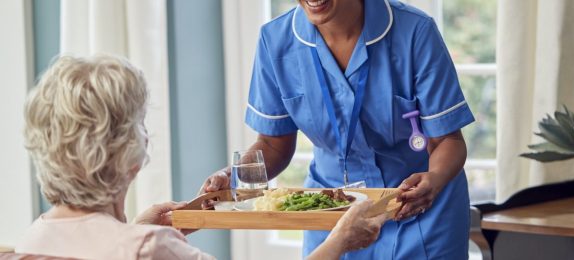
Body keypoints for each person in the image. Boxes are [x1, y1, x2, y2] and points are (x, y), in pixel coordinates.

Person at [16, 55, 387, 259]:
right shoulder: (151, 250)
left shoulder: (32, 239)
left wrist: (136, 229)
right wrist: (339, 241)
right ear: (127, 153)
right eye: (139, 123)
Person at [201, 0, 475, 258]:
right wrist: (232, 177)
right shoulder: (275, 41)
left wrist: (435, 178)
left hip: (417, 210)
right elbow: (274, 144)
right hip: (332, 213)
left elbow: (447, 140)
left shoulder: (415, 31)